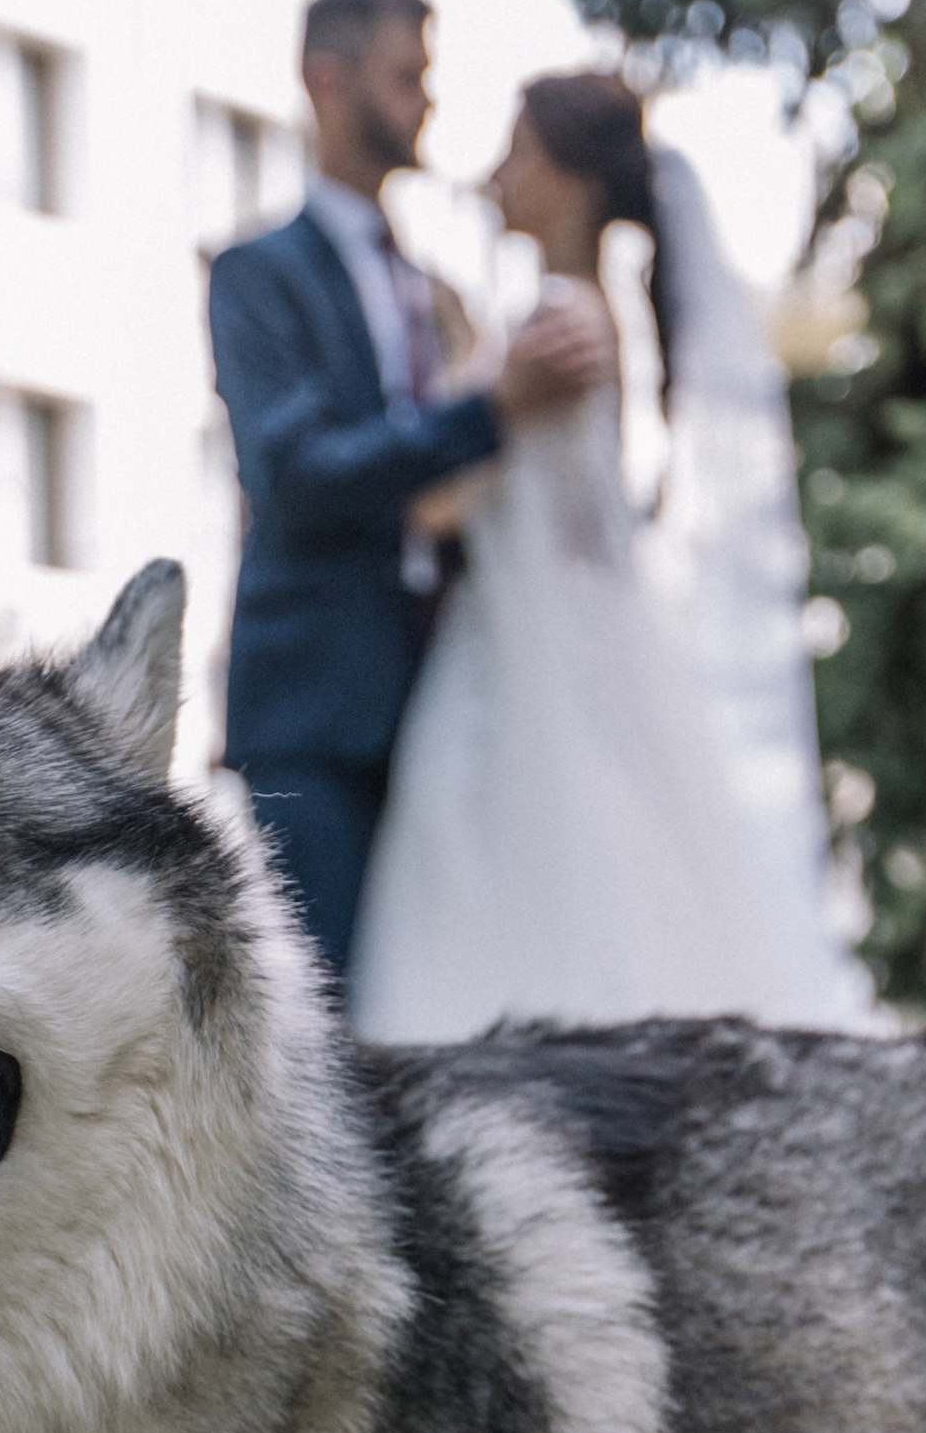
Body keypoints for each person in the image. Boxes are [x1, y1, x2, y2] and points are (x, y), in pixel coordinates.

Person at [345, 69, 864, 1040]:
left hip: (518, 658)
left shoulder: (548, 326)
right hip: (573, 637)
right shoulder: (589, 313)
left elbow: (435, 504)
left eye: (518, 154)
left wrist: (459, 383)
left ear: (570, 179)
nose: (497, 176)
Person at [208, 0, 609, 981]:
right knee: (323, 1030)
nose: (426, 100)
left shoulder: (428, 284)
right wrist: (490, 412)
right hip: (313, 718)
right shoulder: (256, 274)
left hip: (440, 710)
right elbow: (294, 475)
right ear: (325, 80)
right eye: (405, 76)